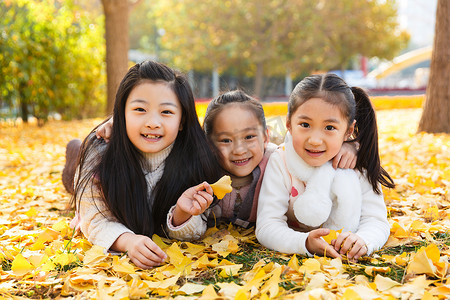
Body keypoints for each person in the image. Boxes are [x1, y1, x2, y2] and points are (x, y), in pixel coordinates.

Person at [71, 60, 222, 269]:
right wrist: (127, 241)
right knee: (75, 181)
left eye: (166, 112)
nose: (153, 122)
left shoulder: (196, 158)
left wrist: (181, 214)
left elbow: (197, 227)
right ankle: (74, 158)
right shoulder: (100, 156)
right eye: (140, 109)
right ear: (121, 114)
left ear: (182, 121)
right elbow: (94, 220)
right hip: (92, 175)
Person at [164, 90, 358, 240]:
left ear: (265, 136)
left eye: (249, 137)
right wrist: (183, 213)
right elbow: (192, 232)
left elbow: (313, 152)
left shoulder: (280, 161)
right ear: (209, 144)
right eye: (225, 140)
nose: (239, 150)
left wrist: (349, 146)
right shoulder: (205, 176)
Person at [256, 73, 395, 261]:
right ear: (289, 123)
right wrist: (304, 242)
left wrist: (362, 240)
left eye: (329, 127)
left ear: (348, 131)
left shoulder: (355, 163)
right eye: (305, 124)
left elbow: (376, 220)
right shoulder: (281, 161)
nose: (314, 140)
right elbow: (267, 225)